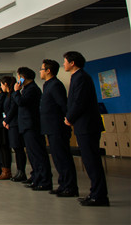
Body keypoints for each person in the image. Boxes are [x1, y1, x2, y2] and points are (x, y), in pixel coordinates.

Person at [63, 51, 109, 206]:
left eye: (65, 61)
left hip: (87, 125)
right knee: (89, 161)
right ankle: (95, 193)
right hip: (84, 125)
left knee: (92, 161)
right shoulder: (77, 77)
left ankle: (99, 196)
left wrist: (69, 117)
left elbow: (79, 102)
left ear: (72, 63)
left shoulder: (81, 77)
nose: (64, 64)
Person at [40, 59, 78, 197]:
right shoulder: (47, 85)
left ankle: (70, 186)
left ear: (48, 71)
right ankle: (63, 184)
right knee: (57, 158)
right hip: (51, 127)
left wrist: (67, 121)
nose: (40, 71)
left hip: (57, 127)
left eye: (42, 69)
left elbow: (63, 105)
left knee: (63, 157)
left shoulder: (55, 85)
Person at [14, 67, 52, 191]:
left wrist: (16, 91)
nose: (18, 80)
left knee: (38, 154)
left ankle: (44, 180)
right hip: (26, 125)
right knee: (32, 154)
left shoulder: (32, 89)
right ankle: (36, 177)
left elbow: (21, 102)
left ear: (23, 77)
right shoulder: (27, 89)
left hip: (32, 125)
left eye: (19, 77)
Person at [1, 77, 27, 182]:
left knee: (18, 148)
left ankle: (21, 171)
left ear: (6, 84)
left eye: (2, 84)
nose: (1, 87)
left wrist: (7, 120)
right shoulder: (8, 95)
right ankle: (19, 171)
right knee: (16, 149)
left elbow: (13, 109)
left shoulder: (13, 94)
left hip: (15, 124)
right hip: (10, 124)